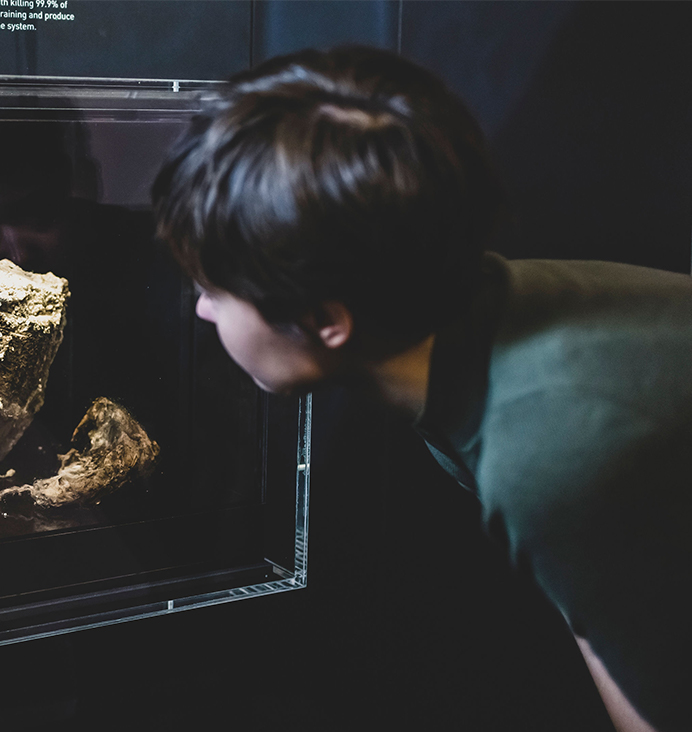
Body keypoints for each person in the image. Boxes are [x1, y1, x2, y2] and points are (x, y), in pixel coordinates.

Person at [152, 46, 691, 732]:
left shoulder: (547, 448)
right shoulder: (483, 317)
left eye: (214, 288)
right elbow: (597, 610)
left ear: (324, 321)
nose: (202, 310)